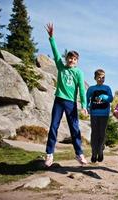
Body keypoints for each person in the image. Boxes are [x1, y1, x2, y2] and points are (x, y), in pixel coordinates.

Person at [44, 23, 88, 167]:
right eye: (70, 58)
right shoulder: (61, 67)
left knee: (75, 128)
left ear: (77, 61)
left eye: (74, 59)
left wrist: (84, 106)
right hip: (59, 100)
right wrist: (51, 38)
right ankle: (49, 154)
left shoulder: (79, 73)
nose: (71, 60)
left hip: (71, 103)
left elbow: (82, 90)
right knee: (53, 126)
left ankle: (79, 154)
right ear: (66, 59)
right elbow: (56, 53)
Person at [86, 69, 113, 163]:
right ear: (95, 78)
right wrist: (86, 108)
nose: (101, 79)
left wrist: (103, 97)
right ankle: (94, 153)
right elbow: (87, 98)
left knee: (102, 133)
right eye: (99, 77)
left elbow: (111, 98)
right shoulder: (91, 89)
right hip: (94, 113)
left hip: (104, 114)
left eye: (103, 77)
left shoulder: (107, 88)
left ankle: (100, 151)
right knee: (94, 134)